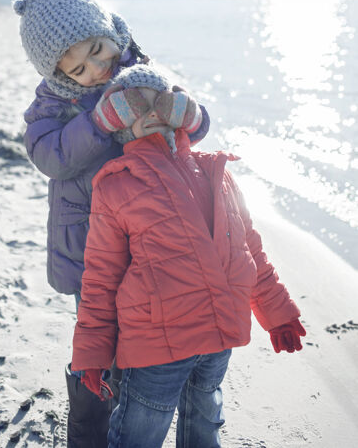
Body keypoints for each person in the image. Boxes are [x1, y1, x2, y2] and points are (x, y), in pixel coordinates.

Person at [13, 0, 210, 447]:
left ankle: (136, 415)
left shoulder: (143, 75)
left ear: (110, 32)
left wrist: (183, 115)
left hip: (148, 240)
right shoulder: (51, 107)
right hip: (88, 249)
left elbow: (196, 127)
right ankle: (88, 432)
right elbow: (51, 157)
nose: (97, 69)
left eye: (99, 50)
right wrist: (102, 120)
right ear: (59, 75)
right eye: (79, 68)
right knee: (98, 340)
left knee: (142, 338)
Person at [71, 65, 306, 448]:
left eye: (159, 103)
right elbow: (100, 278)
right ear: (120, 121)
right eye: (135, 106)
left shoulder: (218, 172)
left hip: (219, 336)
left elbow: (251, 251)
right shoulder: (116, 185)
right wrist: (92, 353)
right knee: (139, 434)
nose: (150, 113)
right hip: (156, 350)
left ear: (179, 108)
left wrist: (278, 312)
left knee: (204, 425)